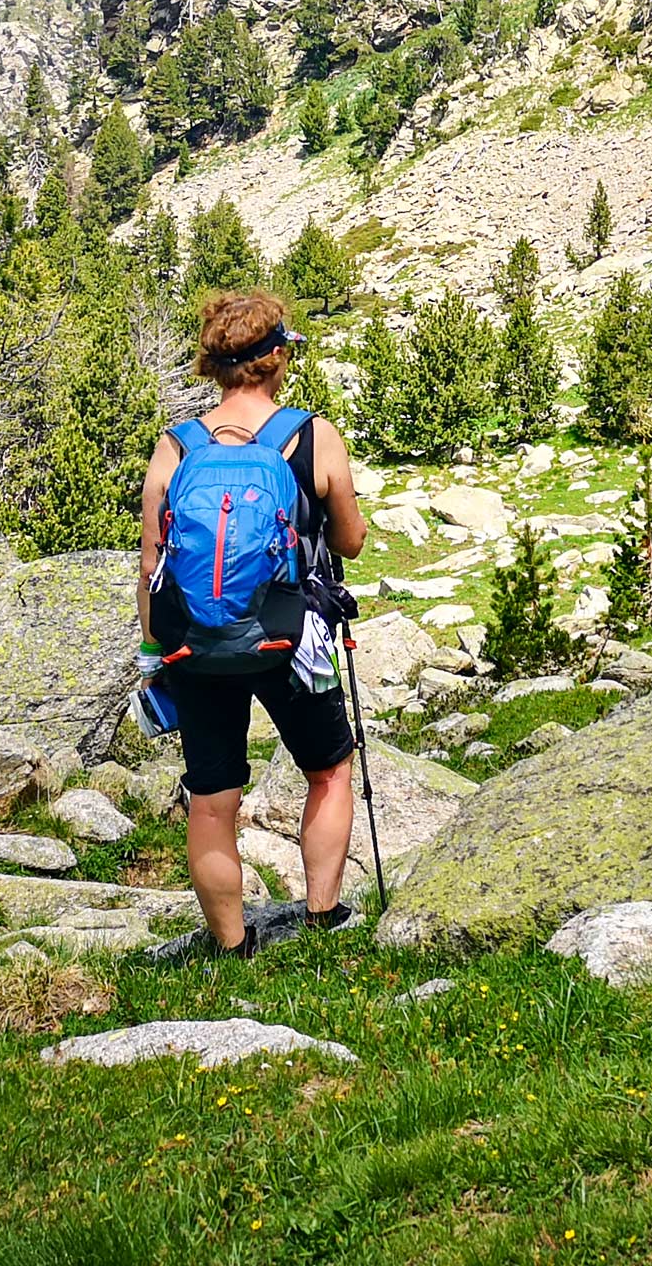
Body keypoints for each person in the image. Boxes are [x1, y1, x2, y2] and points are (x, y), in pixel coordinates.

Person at [138, 290, 369, 962]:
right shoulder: (310, 435)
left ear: (215, 366)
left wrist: (156, 654)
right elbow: (350, 542)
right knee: (328, 769)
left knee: (213, 800)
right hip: (286, 636)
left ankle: (232, 945)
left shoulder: (177, 446)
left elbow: (153, 561)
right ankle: (323, 915)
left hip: (195, 643)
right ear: (275, 360)